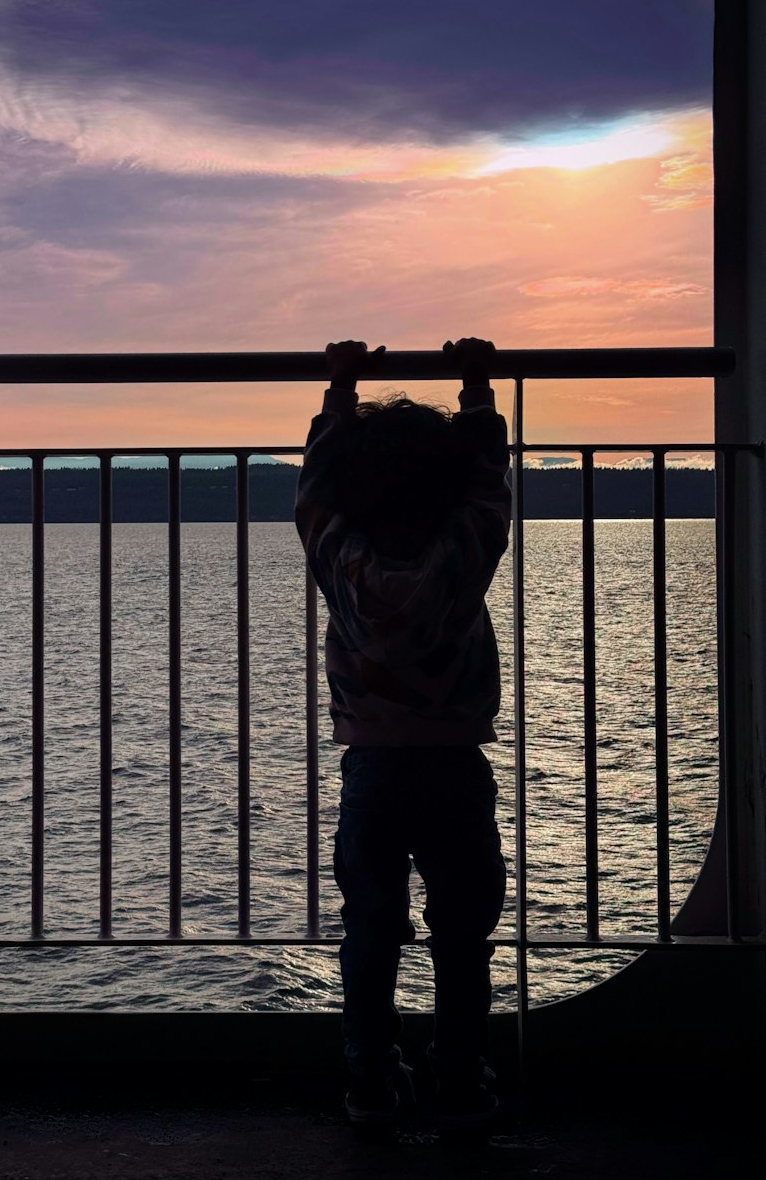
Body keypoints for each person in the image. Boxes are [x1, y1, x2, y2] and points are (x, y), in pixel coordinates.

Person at [295, 337, 510, 1130]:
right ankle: (460, 1080)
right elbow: (490, 488)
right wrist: (477, 385)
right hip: (454, 765)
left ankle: (371, 1083)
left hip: (374, 771)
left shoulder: (341, 559)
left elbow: (313, 492)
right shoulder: (463, 553)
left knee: (371, 929)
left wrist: (340, 385)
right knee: (461, 932)